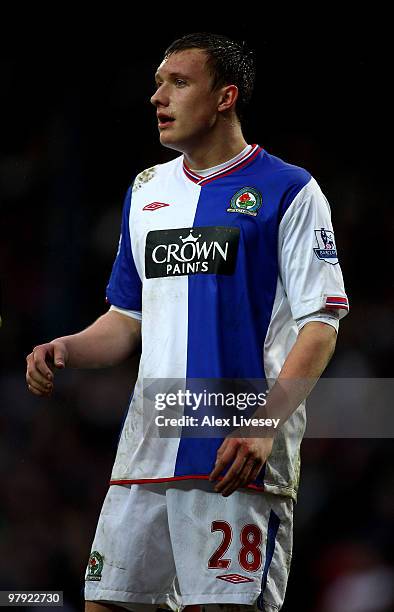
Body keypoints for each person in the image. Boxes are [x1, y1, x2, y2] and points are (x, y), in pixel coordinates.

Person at [26, 33, 349, 612]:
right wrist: (65, 349)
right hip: (147, 449)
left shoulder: (291, 190)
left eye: (178, 82)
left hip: (235, 452)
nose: (158, 97)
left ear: (225, 97)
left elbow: (320, 325)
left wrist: (264, 425)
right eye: (156, 83)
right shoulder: (147, 191)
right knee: (106, 603)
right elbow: (126, 319)